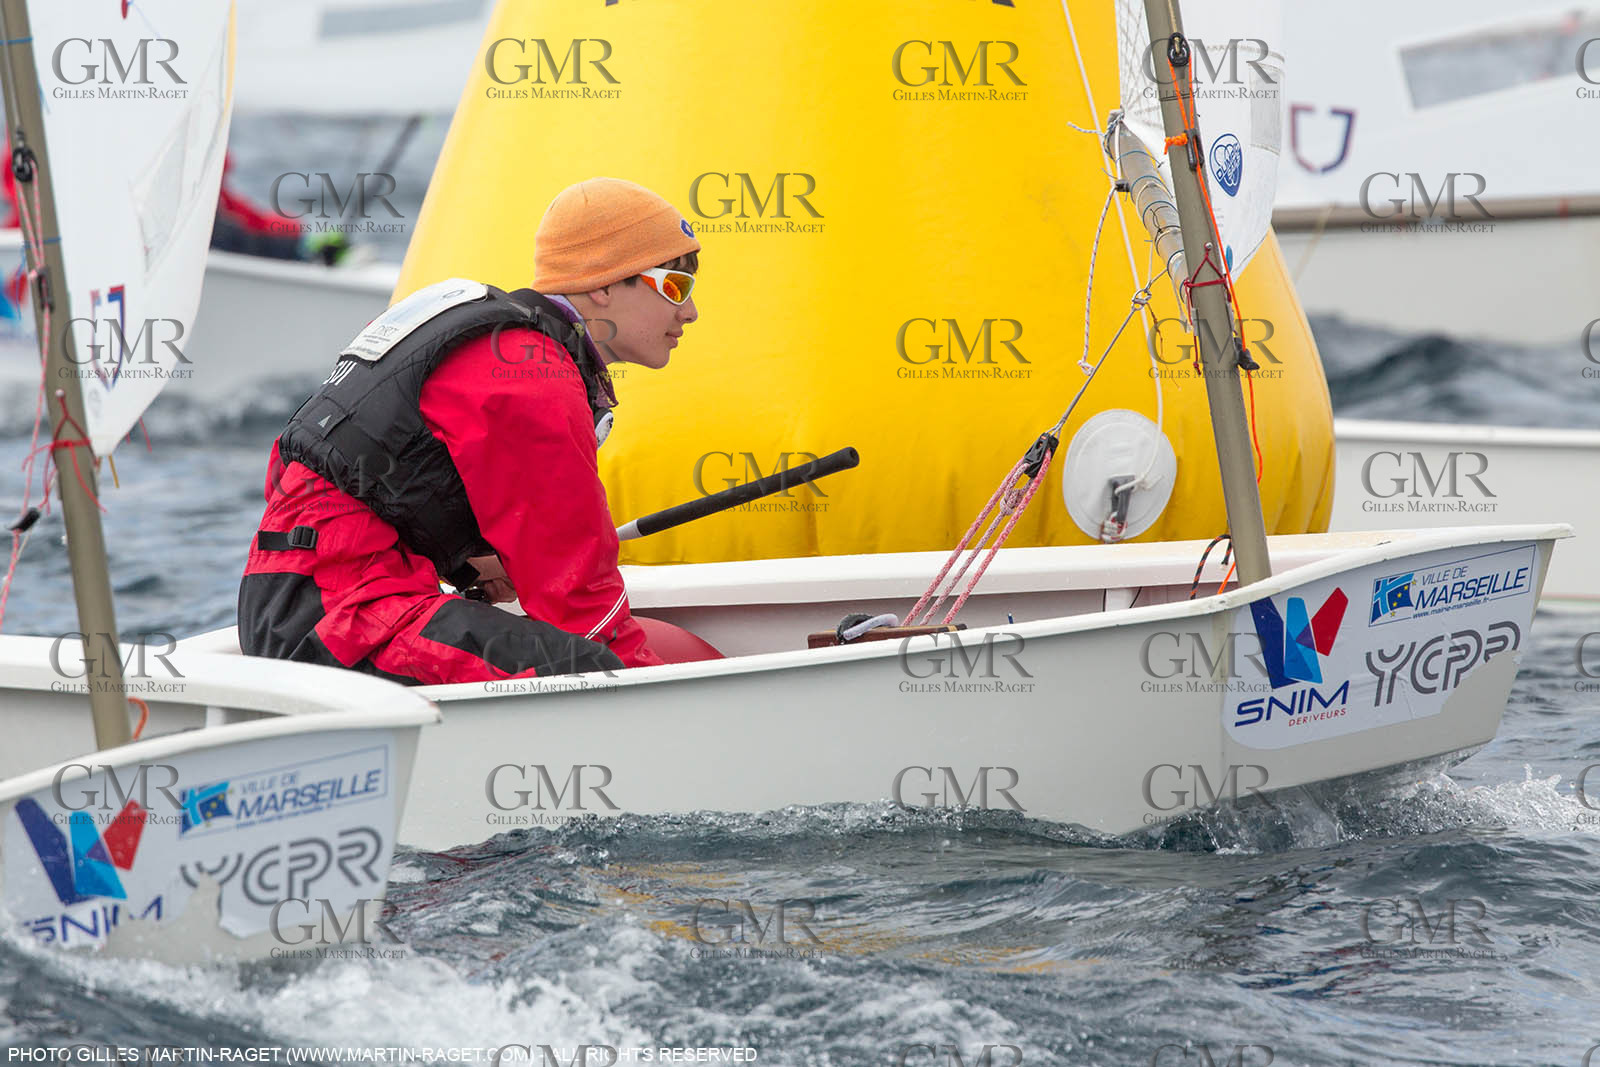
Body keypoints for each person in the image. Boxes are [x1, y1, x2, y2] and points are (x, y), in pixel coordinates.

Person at [237, 176, 717, 684]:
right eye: (674, 285)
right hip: (336, 625)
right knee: (592, 669)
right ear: (603, 283)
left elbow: (318, 479)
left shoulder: (496, 341)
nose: (690, 311)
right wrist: (667, 692)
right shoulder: (536, 377)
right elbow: (579, 598)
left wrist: (468, 565)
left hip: (295, 607)